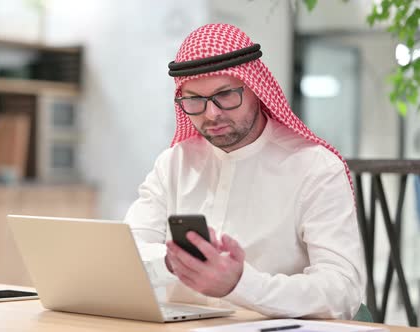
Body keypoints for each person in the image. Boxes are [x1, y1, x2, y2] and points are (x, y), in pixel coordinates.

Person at [123, 23, 365, 319]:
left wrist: (241, 284)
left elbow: (342, 291)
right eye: (195, 100)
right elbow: (128, 250)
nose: (212, 113)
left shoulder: (316, 168)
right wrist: (175, 262)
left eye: (225, 95)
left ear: (255, 88)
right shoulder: (174, 163)